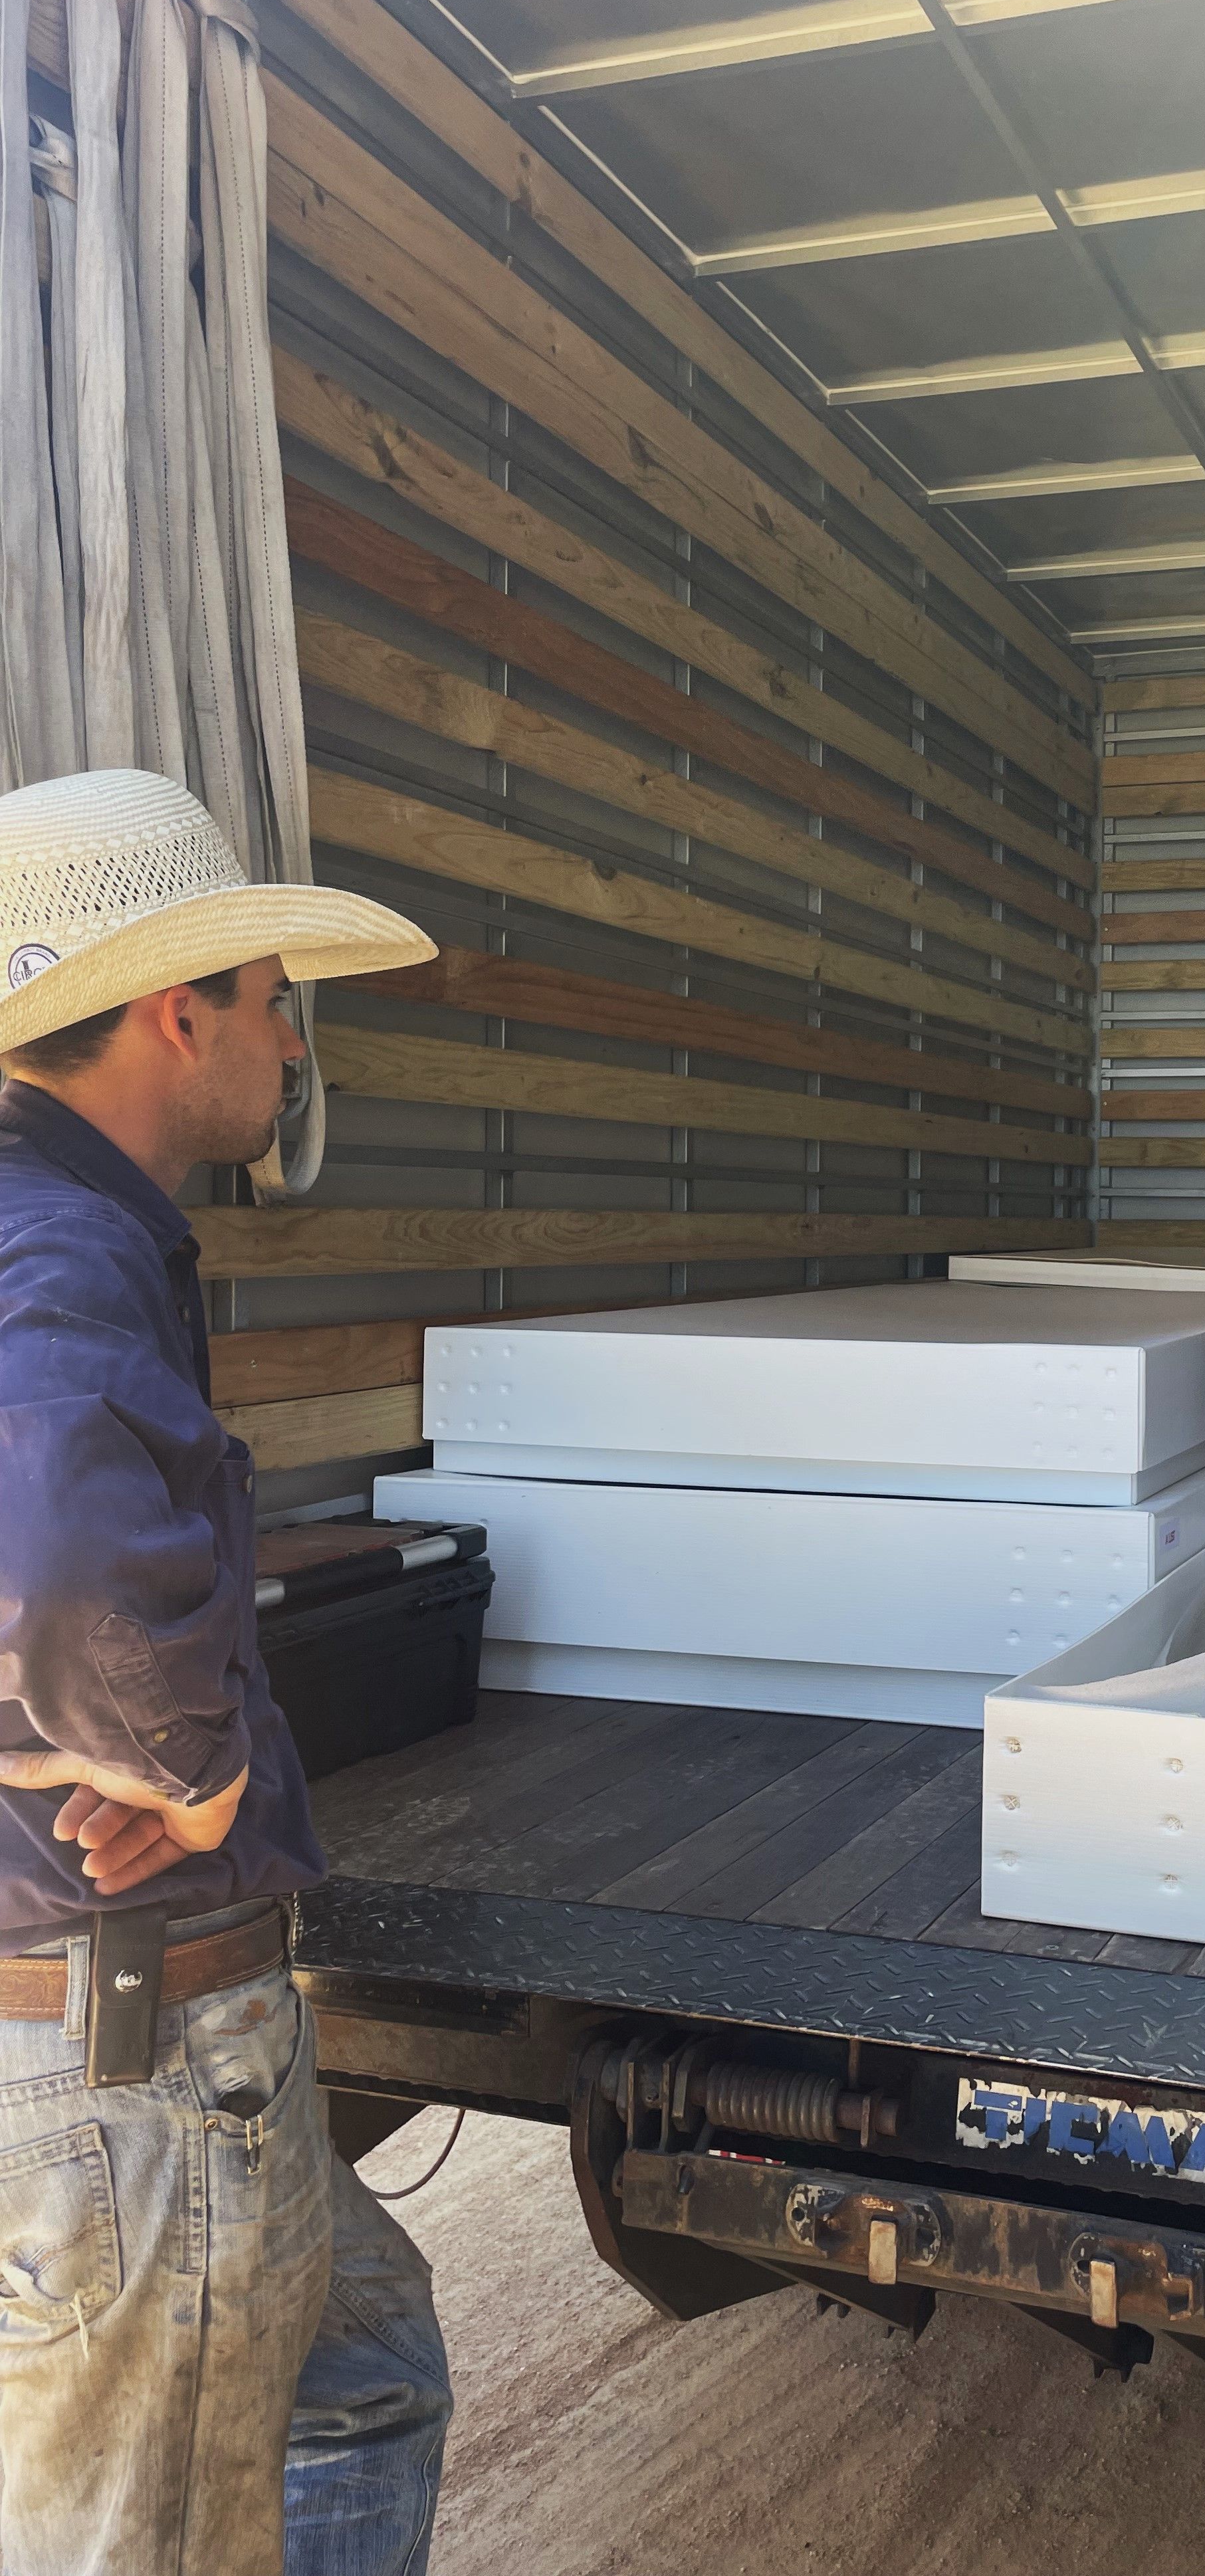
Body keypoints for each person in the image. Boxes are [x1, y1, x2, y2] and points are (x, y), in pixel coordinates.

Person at [0, 770, 451, 2575]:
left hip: (102, 2062)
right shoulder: (64, 1254)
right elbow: (54, 1554)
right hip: (136, 2069)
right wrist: (177, 1767)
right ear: (177, 1014)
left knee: (360, 2368)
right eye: (278, 1000)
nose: (291, 1042)